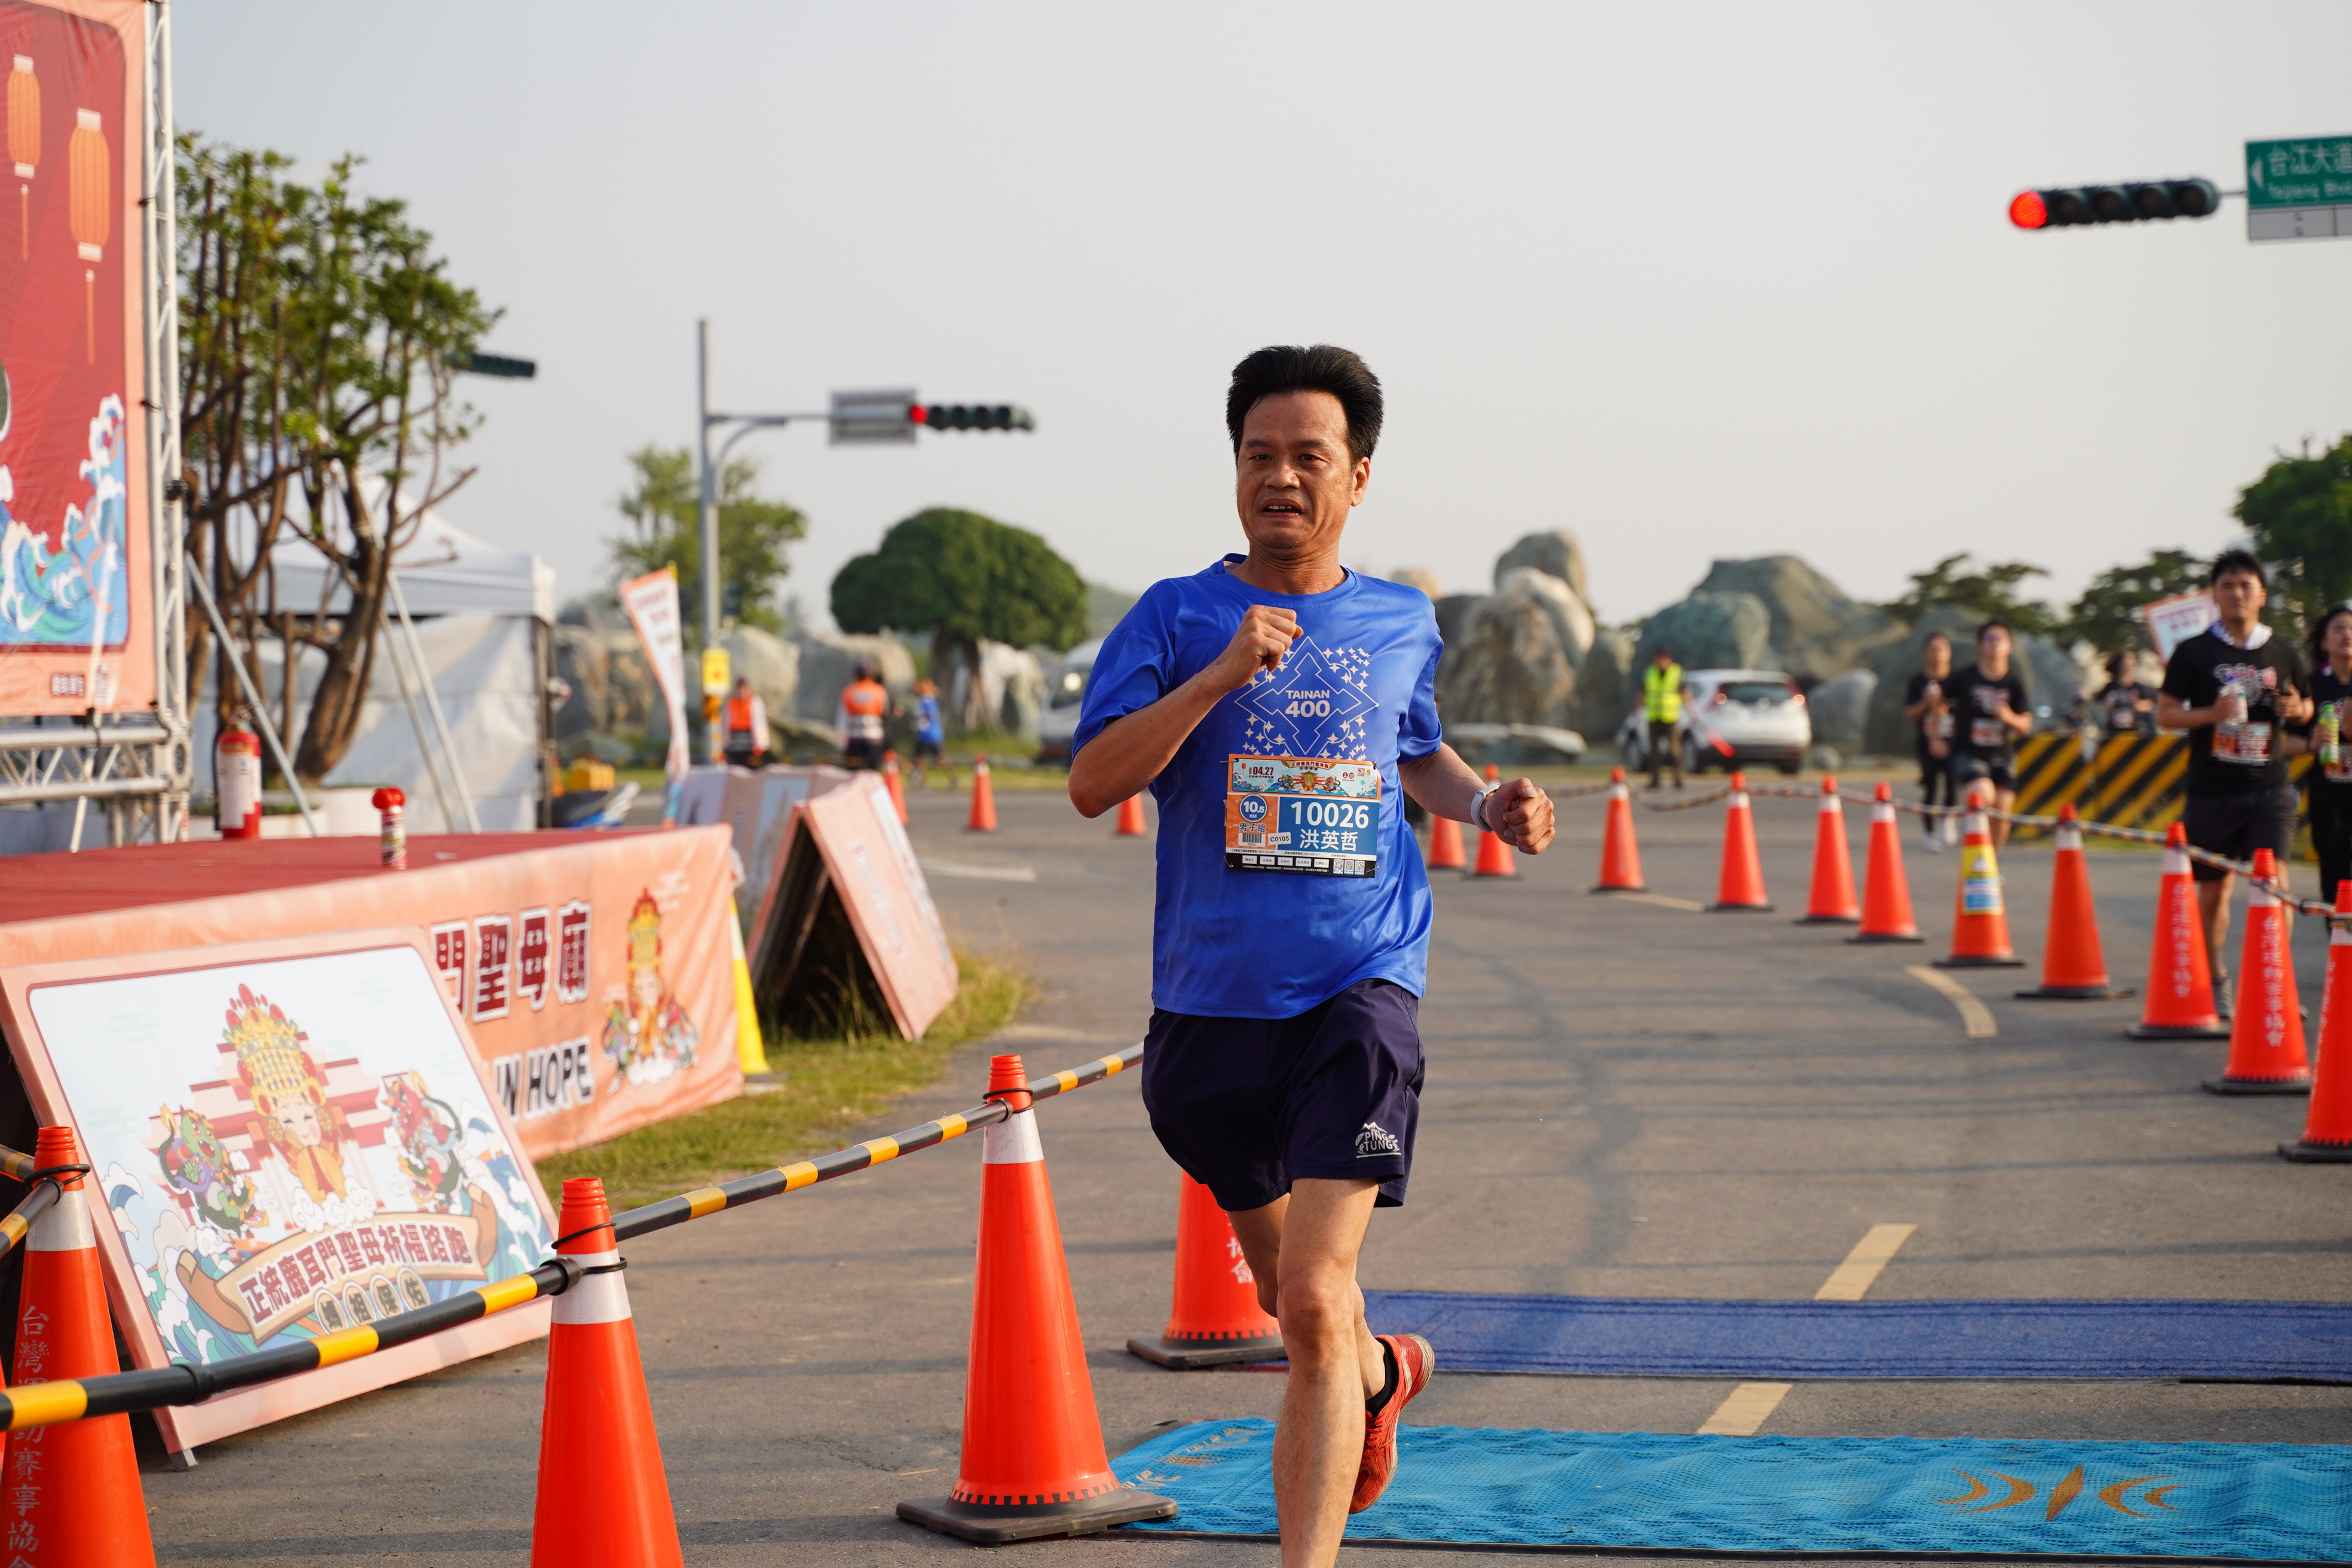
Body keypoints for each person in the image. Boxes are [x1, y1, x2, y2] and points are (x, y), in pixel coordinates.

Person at [1068, 345, 1554, 1568]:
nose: (1280, 476)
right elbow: (1092, 781)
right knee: (1299, 1307)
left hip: (1361, 986)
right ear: (1234, 467)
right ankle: (1380, 1374)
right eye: (1259, 454)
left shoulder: (1399, 618)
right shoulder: (1173, 615)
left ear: (1358, 475)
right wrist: (1218, 675)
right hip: (1210, 1007)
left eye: (1307, 456)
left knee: (1315, 1297)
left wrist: (1486, 802)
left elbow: (1415, 751)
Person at [2157, 549, 2313, 994]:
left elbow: (2306, 706)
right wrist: (2211, 714)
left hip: (2270, 788)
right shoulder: (2194, 651)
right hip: (2212, 789)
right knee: (2213, 892)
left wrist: (2296, 708)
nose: (2237, 593)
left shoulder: (2283, 651)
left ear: (2262, 595)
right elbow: (2165, 714)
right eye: (2227, 586)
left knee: (2274, 881)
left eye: (2246, 585)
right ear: (2215, 595)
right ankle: (2215, 981)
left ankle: (2272, 985)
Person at [1945, 621, 2032, 852]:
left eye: (2000, 639)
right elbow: (1940, 703)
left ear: (2009, 647)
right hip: (1969, 752)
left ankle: (1990, 862)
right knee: (1984, 794)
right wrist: (1937, 734)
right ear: (1980, 646)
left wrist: (2009, 717)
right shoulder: (1964, 678)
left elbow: (2026, 723)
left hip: (2001, 754)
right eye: (1990, 639)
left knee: (2002, 812)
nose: (1995, 644)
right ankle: (1971, 849)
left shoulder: (2014, 683)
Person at [2289, 600, 2352, 906]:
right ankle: (2337, 931)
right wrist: (2310, 744)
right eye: (2339, 629)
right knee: (2334, 873)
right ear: (2324, 641)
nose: (2347, 635)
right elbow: (2283, 742)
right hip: (2328, 794)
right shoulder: (2312, 686)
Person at [1903, 631, 1958, 851]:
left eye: (1942, 649)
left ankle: (1948, 820)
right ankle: (1929, 833)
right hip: (1926, 740)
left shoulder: (1956, 681)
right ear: (1925, 653)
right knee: (1931, 786)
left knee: (1953, 783)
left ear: (1950, 653)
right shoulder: (1918, 681)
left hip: (1953, 740)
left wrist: (1942, 703)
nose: (1938, 654)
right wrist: (1927, 702)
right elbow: (1909, 713)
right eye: (1933, 649)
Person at [1641, 646, 1684, 790]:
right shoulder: (1650, 672)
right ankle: (1655, 781)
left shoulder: (1676, 672)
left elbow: (1684, 692)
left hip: (1670, 717)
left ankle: (1677, 779)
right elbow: (1643, 691)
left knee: (1674, 751)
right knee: (1654, 752)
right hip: (1654, 716)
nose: (1659, 662)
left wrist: (1692, 712)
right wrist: (1638, 711)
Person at [836, 662, 889, 770]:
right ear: (870, 674)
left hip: (855, 740)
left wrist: (841, 744)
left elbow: (842, 719)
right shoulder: (879, 691)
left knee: (853, 771)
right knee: (872, 771)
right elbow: (885, 714)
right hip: (874, 739)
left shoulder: (849, 692)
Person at [2092, 652, 2157, 739]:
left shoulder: (2138, 688)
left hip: (2134, 733)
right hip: (2113, 734)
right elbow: (2099, 704)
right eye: (2127, 664)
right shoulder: (2110, 688)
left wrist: (2137, 705)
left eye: (2132, 665)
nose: (2130, 667)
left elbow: (2151, 704)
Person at [909, 677, 954, 789]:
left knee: (920, 759)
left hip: (926, 734)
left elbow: (925, 716)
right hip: (934, 734)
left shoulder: (924, 700)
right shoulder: (931, 700)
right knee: (936, 758)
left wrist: (918, 723)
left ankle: (921, 781)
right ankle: (952, 778)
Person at [721, 676, 768, 769]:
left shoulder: (755, 701)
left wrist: (761, 744)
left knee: (751, 769)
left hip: (750, 743)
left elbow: (760, 723)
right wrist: (724, 746)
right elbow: (725, 724)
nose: (741, 691)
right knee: (735, 769)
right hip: (734, 743)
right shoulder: (731, 702)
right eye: (740, 687)